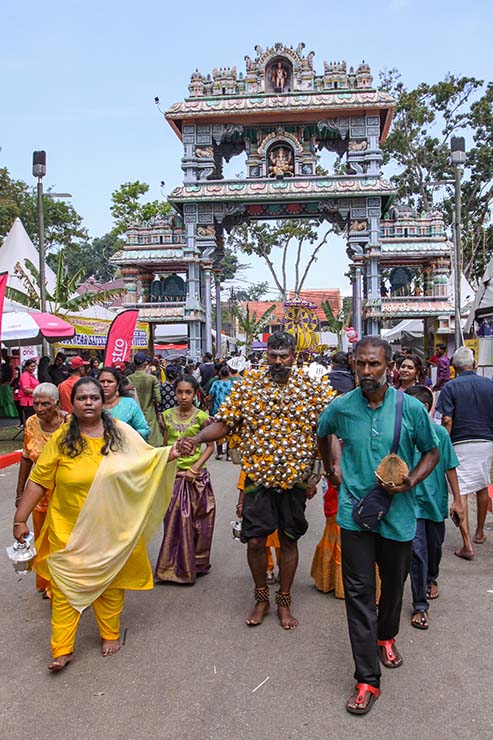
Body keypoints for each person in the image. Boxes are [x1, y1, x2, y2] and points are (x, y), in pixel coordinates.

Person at [13, 377, 181, 672]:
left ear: (103, 403)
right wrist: (19, 519)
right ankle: (62, 648)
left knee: (109, 583)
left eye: (94, 397)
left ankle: (110, 633)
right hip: (67, 527)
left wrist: (171, 453)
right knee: (64, 585)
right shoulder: (61, 440)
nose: (88, 402)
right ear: (72, 403)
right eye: (82, 398)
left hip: (110, 527)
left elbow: (146, 459)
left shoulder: (121, 433)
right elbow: (38, 480)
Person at [317, 336, 439, 716]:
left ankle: (387, 635)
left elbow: (432, 451)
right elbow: (323, 433)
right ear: (353, 364)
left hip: (399, 515)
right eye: (361, 365)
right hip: (355, 512)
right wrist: (331, 468)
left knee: (394, 584)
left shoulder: (410, 408)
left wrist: (412, 481)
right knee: (358, 593)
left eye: (375, 365)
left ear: (388, 367)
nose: (367, 372)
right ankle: (367, 678)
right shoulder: (340, 407)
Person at [181, 331, 334, 630]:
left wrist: (331, 467)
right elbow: (224, 424)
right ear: (266, 356)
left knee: (289, 541)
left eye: (284, 356)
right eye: (273, 356)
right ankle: (261, 597)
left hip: (294, 481)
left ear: (295, 356)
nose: (278, 361)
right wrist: (196, 438)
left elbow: (329, 427)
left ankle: (284, 601)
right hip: (258, 479)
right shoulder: (248, 387)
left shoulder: (311, 389)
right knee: (255, 542)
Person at [404, 386, 464, 628]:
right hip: (410, 505)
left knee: (434, 548)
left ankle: (432, 578)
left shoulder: (440, 434)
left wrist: (458, 500)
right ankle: (420, 605)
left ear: (426, 410)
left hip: (434, 503)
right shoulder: (401, 434)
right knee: (417, 553)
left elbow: (450, 467)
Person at [155, 375, 215, 584]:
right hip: (173, 476)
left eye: (188, 392)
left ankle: (195, 563)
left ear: (195, 393)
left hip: (195, 477)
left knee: (198, 524)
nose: (183, 396)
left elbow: (210, 447)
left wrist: (195, 468)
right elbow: (164, 445)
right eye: (179, 392)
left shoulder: (202, 418)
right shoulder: (165, 416)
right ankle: (171, 568)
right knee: (173, 523)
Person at [436, 346, 493, 558]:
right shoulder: (489, 384)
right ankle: (479, 532)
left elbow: (447, 420)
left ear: (454, 367)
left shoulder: (450, 388)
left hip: (460, 442)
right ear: (474, 364)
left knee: (461, 492)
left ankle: (467, 544)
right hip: (486, 441)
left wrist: (443, 445)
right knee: (481, 485)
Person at [15, 383, 67, 598]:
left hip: (66, 496)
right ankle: (47, 583)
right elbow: (26, 459)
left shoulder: (70, 423)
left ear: (56, 403)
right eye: (36, 403)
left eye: (45, 403)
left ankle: (63, 583)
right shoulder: (31, 423)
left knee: (62, 542)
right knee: (42, 543)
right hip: (40, 496)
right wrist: (20, 492)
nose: (39, 407)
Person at [98, 366, 150, 439]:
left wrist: (127, 438)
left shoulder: (129, 404)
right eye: (102, 381)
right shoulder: (92, 405)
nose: (105, 385)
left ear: (117, 386)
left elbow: (144, 430)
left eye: (110, 381)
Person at [126, 351, 164, 447]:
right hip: (149, 414)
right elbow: (158, 398)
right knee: (152, 444)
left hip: (133, 415)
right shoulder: (152, 379)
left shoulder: (128, 379)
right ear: (145, 363)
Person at [209, 365, 234, 460]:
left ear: (220, 373)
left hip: (218, 410)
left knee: (218, 431)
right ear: (228, 374)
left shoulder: (216, 384)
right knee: (229, 431)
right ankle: (228, 455)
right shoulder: (232, 384)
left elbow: (211, 396)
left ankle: (219, 453)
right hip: (230, 411)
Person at [19, 359, 39, 424]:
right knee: (30, 421)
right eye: (31, 366)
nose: (33, 368)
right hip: (27, 402)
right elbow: (26, 389)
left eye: (34, 366)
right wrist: (38, 391)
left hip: (33, 400)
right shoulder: (25, 376)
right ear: (27, 367)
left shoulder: (32, 375)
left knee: (34, 421)